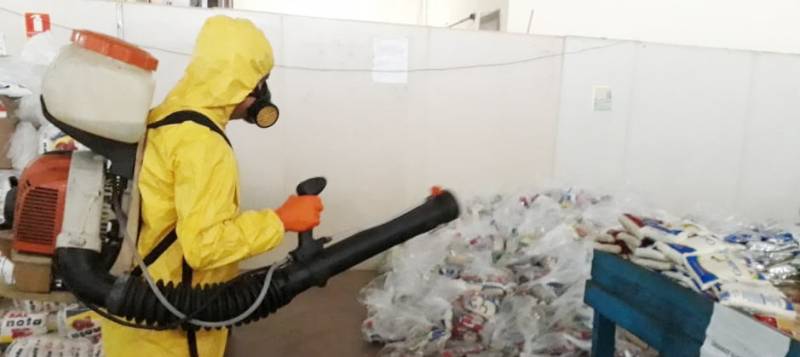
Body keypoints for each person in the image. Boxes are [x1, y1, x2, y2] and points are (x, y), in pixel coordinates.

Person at [101, 16, 323, 357]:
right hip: (171, 332)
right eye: (260, 83)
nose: (261, 95)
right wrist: (281, 220)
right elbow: (205, 246)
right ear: (242, 84)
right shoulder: (203, 144)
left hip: (135, 319)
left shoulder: (162, 118)